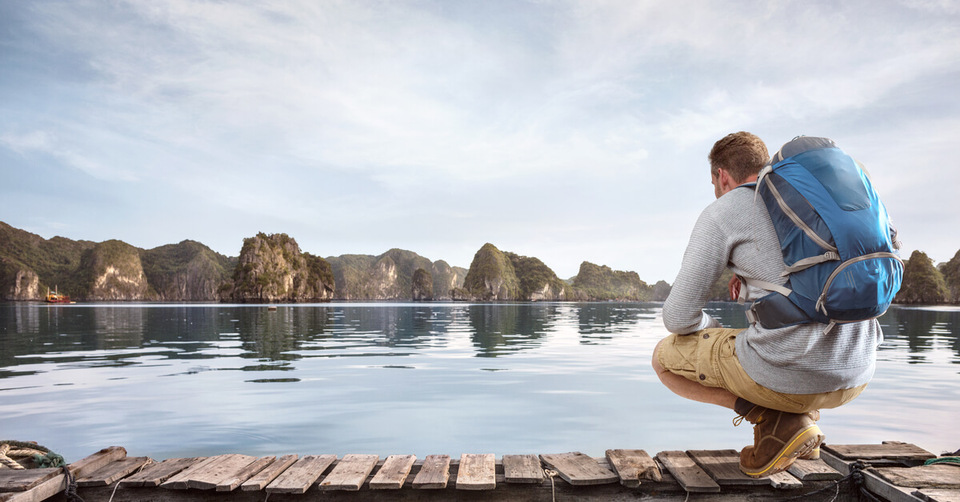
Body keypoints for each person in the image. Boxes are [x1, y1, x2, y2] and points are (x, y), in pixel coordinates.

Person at [651, 131, 883, 478]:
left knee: (664, 357)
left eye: (714, 183)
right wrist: (749, 285)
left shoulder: (724, 210)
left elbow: (677, 317)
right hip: (860, 372)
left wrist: (713, 329)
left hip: (791, 375)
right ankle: (797, 425)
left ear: (721, 176)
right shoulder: (818, 201)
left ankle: (773, 418)